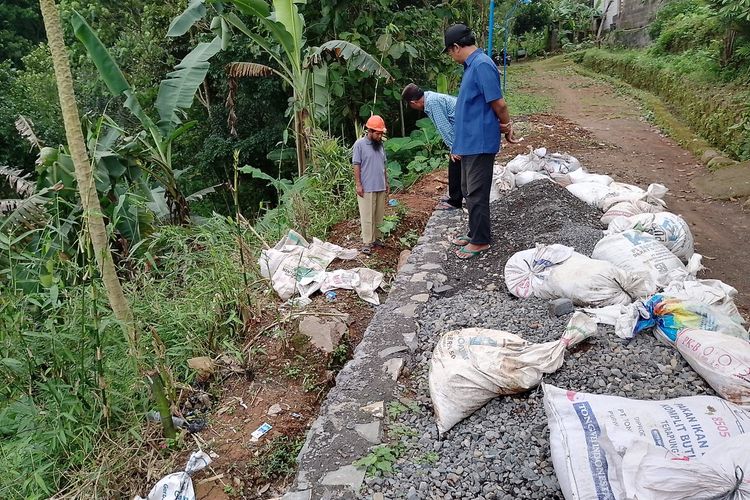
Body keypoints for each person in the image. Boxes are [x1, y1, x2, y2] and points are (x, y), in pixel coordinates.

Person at [444, 23, 518, 260]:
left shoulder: (482, 65)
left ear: (456, 47)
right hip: (468, 142)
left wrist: (506, 126)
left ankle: (481, 240)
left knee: (476, 192)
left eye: (448, 51)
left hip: (480, 142)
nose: (450, 56)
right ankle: (474, 232)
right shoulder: (471, 67)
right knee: (468, 190)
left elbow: (499, 104)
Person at [401, 83, 462, 211]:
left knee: (455, 160)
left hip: (464, 127)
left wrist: (453, 147)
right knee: (456, 162)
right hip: (461, 127)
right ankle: (456, 196)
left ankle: (455, 200)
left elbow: (444, 127)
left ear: (413, 102)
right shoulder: (430, 98)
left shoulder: (433, 103)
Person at [352, 115, 389, 255]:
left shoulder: (380, 145)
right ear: (370, 131)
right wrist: (358, 184)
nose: (380, 136)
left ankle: (377, 238)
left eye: (381, 133)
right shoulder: (359, 145)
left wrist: (386, 183)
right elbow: (356, 165)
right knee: (367, 216)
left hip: (380, 185)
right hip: (366, 187)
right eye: (378, 133)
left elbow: (383, 166)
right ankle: (367, 242)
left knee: (379, 215)